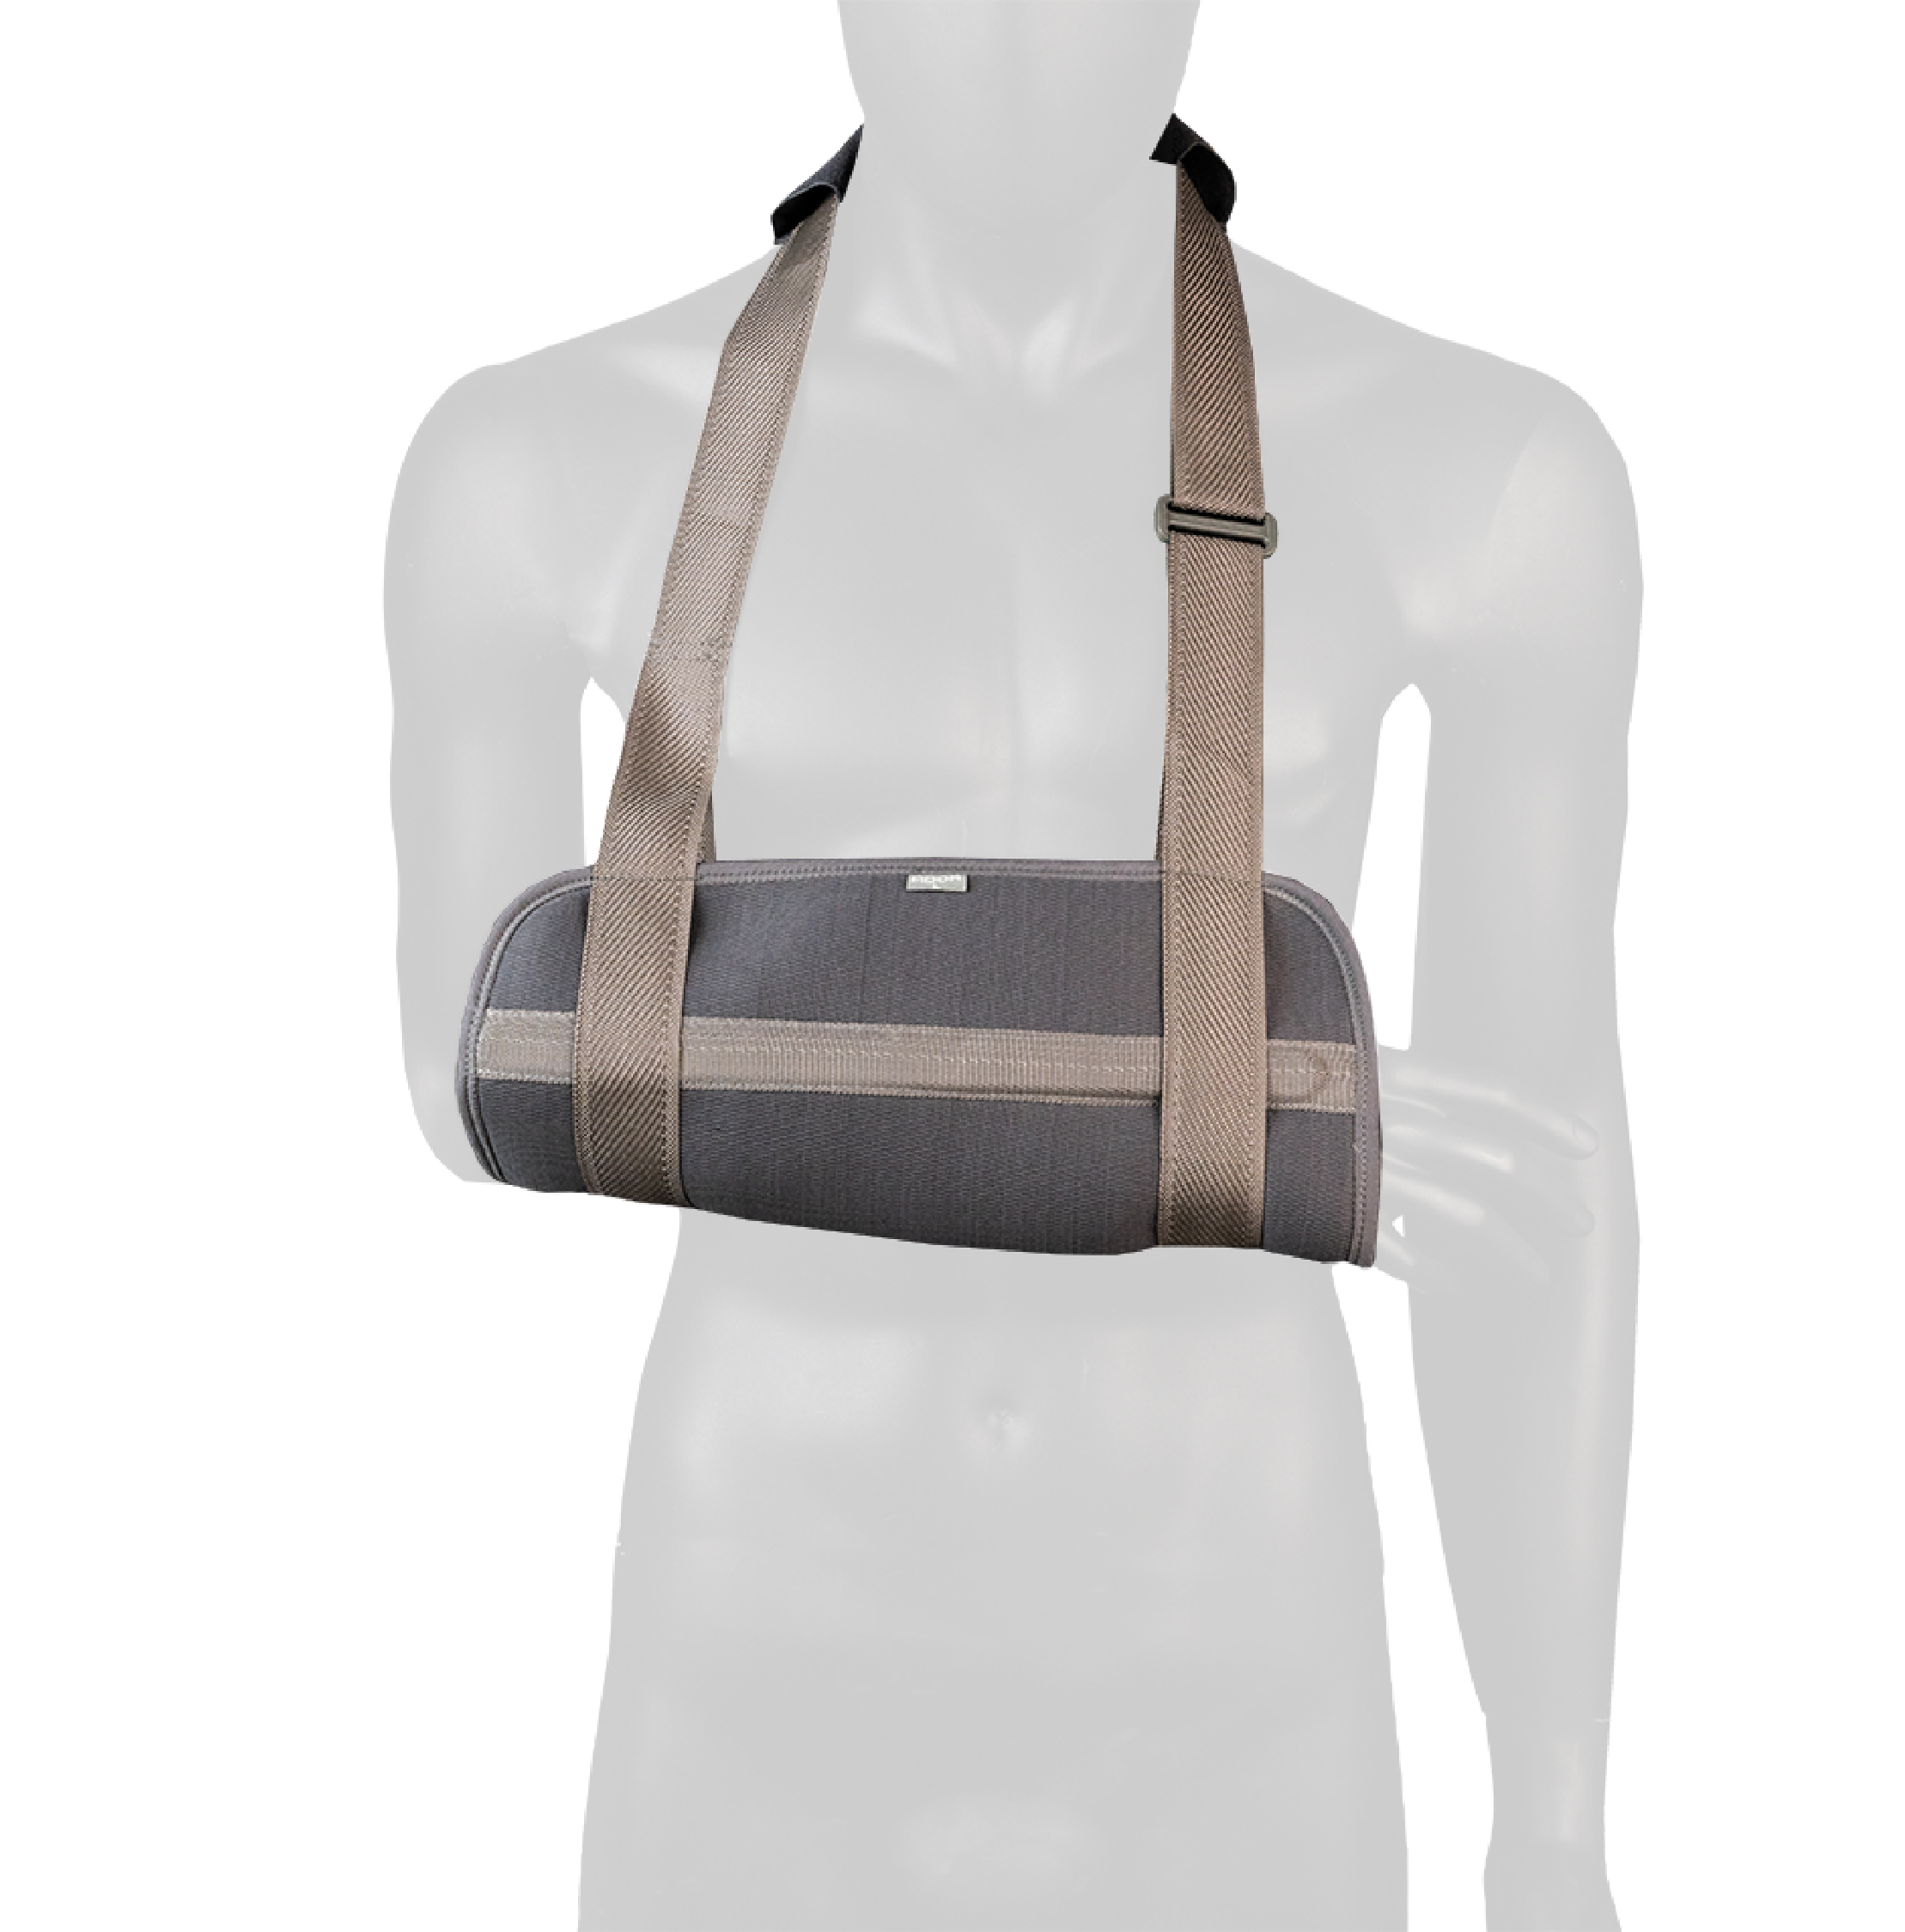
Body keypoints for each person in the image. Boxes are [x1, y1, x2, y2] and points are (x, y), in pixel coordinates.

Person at [386, 5, 1639, 1926]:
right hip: (757, 1670)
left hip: (1238, 1663)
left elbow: (1538, 1191)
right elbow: (484, 1080)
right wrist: (1247, 1119)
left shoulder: (1481, 471)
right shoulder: (539, 458)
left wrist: (1553, 1816)